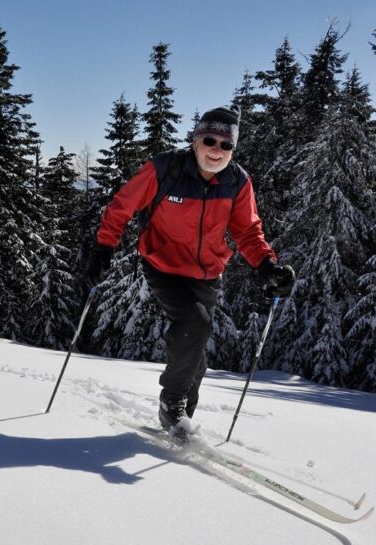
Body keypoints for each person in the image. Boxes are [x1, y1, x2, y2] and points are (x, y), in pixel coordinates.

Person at [85, 105, 294, 433]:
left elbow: (247, 231)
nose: (217, 150)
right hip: (162, 263)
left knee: (196, 351)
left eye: (226, 145)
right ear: (196, 140)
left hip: (207, 273)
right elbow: (122, 205)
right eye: (210, 140)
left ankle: (180, 423)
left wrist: (267, 266)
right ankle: (172, 403)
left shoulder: (237, 182)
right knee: (195, 323)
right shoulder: (165, 170)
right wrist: (103, 247)